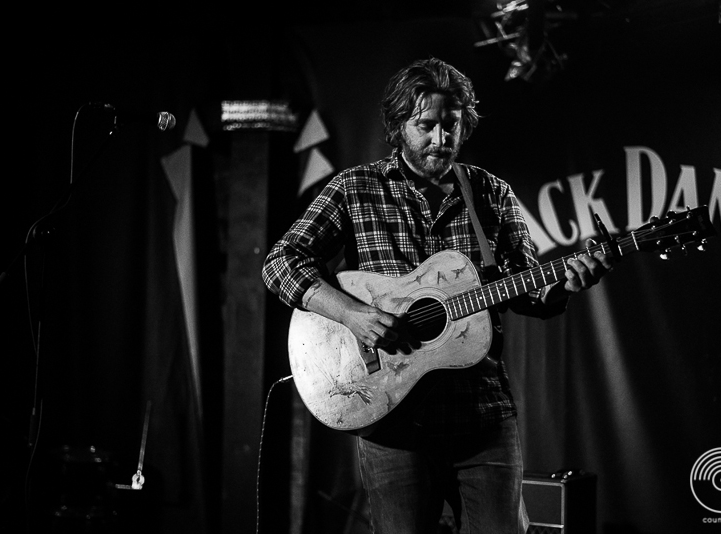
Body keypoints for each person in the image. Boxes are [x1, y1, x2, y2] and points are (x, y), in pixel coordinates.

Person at [262, 58, 611, 534]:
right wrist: (352, 313)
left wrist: (566, 284)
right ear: (397, 124)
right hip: (393, 423)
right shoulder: (355, 189)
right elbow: (280, 262)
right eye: (426, 125)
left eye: (451, 125)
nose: (441, 139)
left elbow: (529, 289)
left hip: (482, 416)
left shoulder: (491, 194)